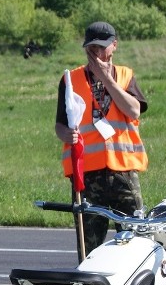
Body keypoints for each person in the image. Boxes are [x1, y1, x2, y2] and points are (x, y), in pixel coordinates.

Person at [55, 21, 148, 256]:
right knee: (88, 248)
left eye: (101, 47)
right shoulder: (70, 80)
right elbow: (60, 125)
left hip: (123, 172)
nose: (97, 53)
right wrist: (66, 134)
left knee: (136, 243)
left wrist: (106, 79)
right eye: (92, 48)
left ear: (114, 46)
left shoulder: (125, 76)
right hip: (86, 175)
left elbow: (134, 110)